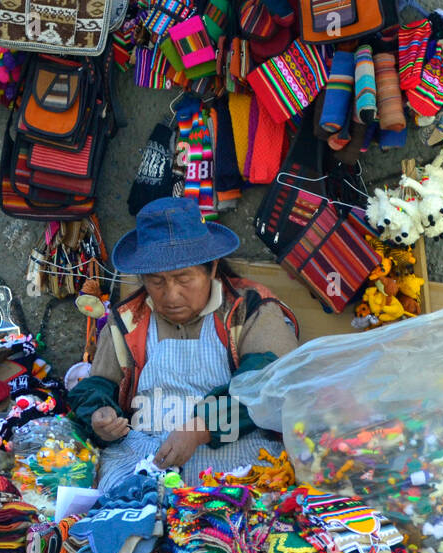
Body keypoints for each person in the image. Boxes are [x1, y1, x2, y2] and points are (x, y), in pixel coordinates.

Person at [69, 197, 300, 490]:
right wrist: (99, 414)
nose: (171, 295)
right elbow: (97, 384)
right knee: (120, 515)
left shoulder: (249, 308)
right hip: (143, 456)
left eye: (184, 279)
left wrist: (201, 428)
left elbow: (270, 382)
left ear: (212, 268)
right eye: (157, 282)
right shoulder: (126, 319)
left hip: (235, 455)